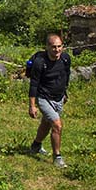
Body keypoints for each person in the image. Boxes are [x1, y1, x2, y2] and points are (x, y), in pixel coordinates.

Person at [27, 33, 71, 168]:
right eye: (53, 47)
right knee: (57, 125)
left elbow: (66, 76)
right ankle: (57, 156)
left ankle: (36, 145)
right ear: (47, 47)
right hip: (43, 97)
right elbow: (33, 84)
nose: (57, 50)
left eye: (59, 47)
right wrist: (32, 106)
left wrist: (65, 93)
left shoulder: (65, 58)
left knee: (46, 123)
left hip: (58, 97)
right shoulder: (40, 63)